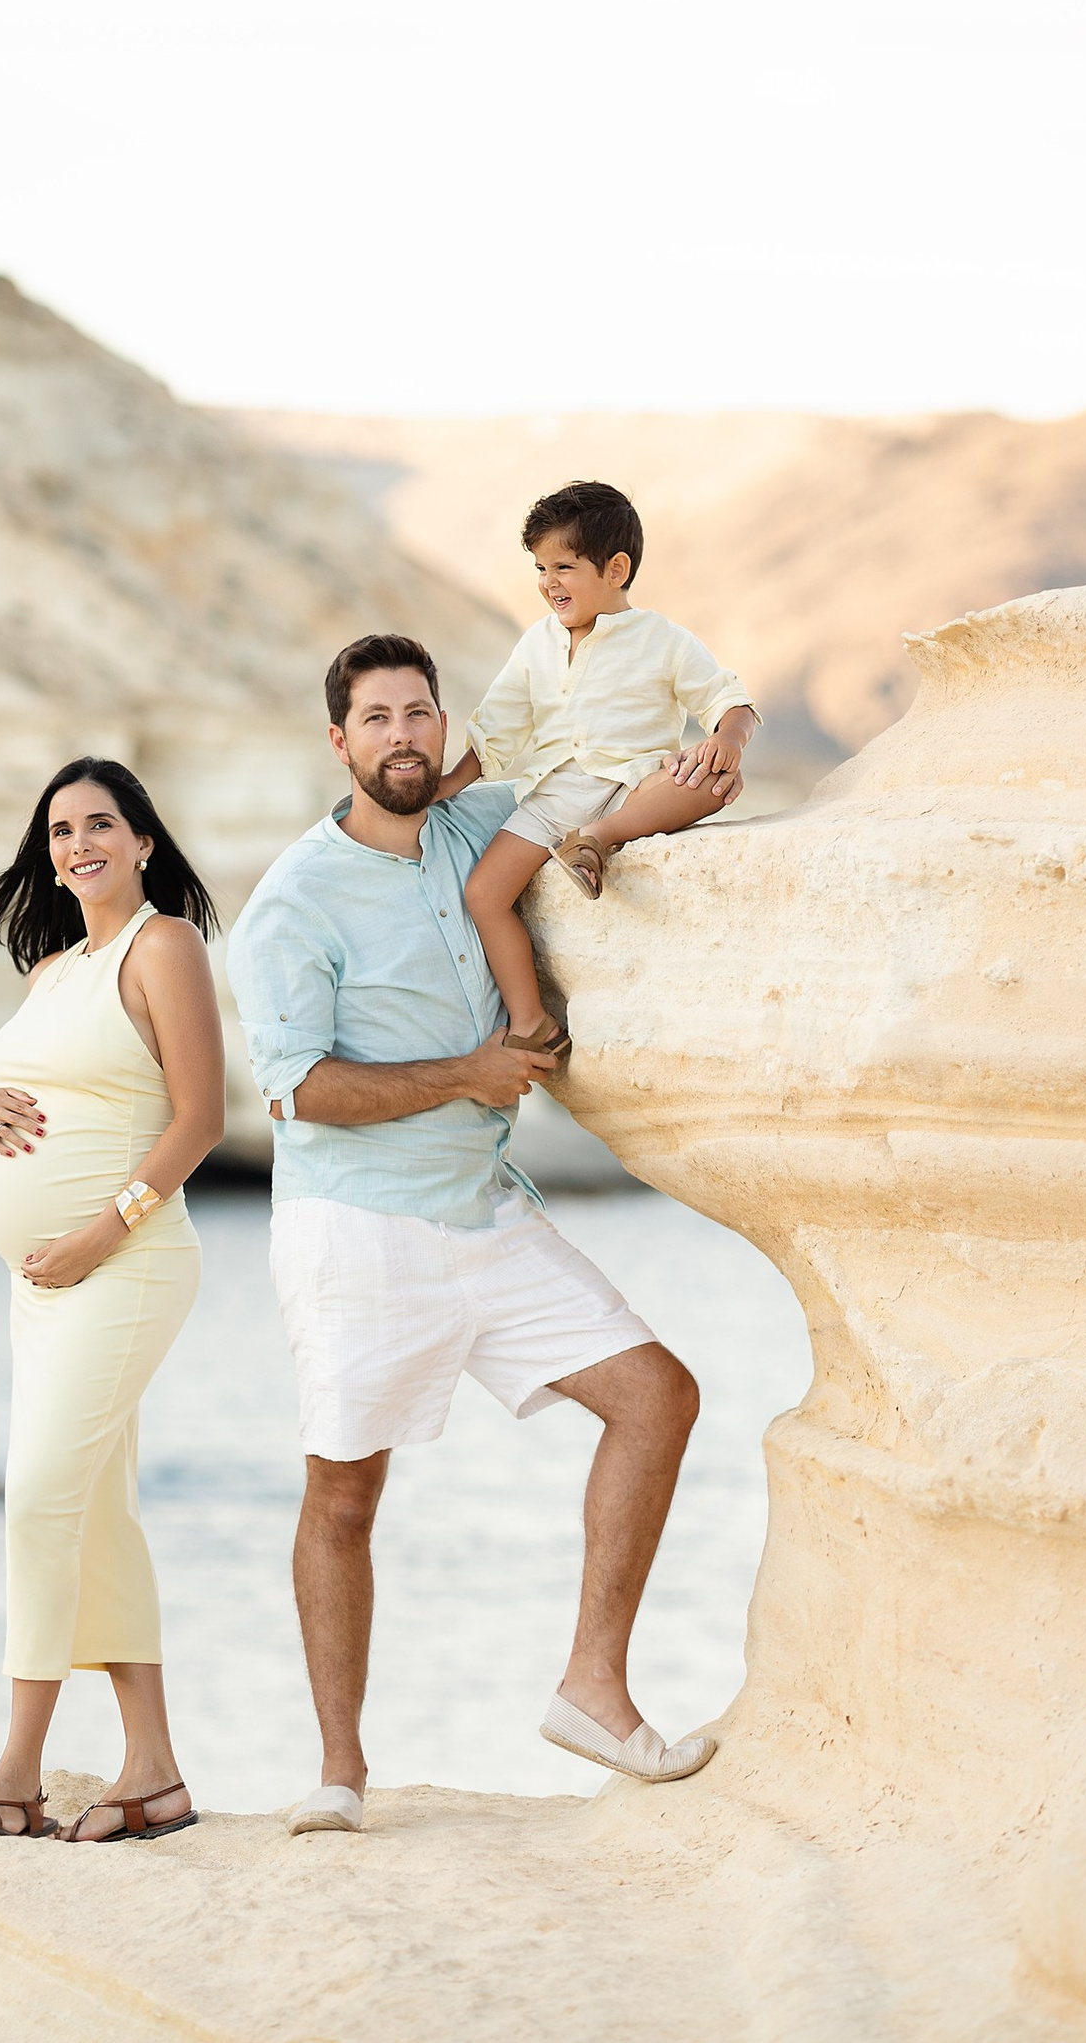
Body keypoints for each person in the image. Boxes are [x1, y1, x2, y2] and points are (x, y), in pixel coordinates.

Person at [225, 633, 715, 1836]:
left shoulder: (477, 827)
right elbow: (297, 1089)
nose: (402, 736)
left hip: (484, 1209)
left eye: (418, 713)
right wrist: (468, 1071)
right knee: (345, 1494)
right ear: (337, 740)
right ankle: (339, 1771)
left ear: (441, 727)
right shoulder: (292, 900)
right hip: (358, 1227)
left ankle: (591, 1687)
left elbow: (589, 792)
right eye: (376, 717)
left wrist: (703, 765)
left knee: (657, 1397)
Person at [0, 757, 225, 1846]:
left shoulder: (165, 945)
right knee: (97, 1512)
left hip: (129, 1263)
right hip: (45, 1284)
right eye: (60, 831)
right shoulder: (53, 968)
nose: (78, 844)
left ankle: (14, 1773)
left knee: (38, 1500)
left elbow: (201, 1118)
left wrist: (106, 1227)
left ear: (143, 840)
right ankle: (153, 1774)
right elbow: (38, 1089)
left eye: (100, 823)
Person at [439, 480, 759, 1051]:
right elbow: (498, 727)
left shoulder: (663, 639)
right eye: (540, 568)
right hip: (552, 796)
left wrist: (729, 738)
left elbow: (727, 698)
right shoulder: (536, 644)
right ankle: (532, 1021)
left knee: (719, 777)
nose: (548, 582)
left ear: (615, 569)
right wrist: (448, 785)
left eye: (563, 567)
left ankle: (595, 839)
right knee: (483, 895)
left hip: (635, 788)